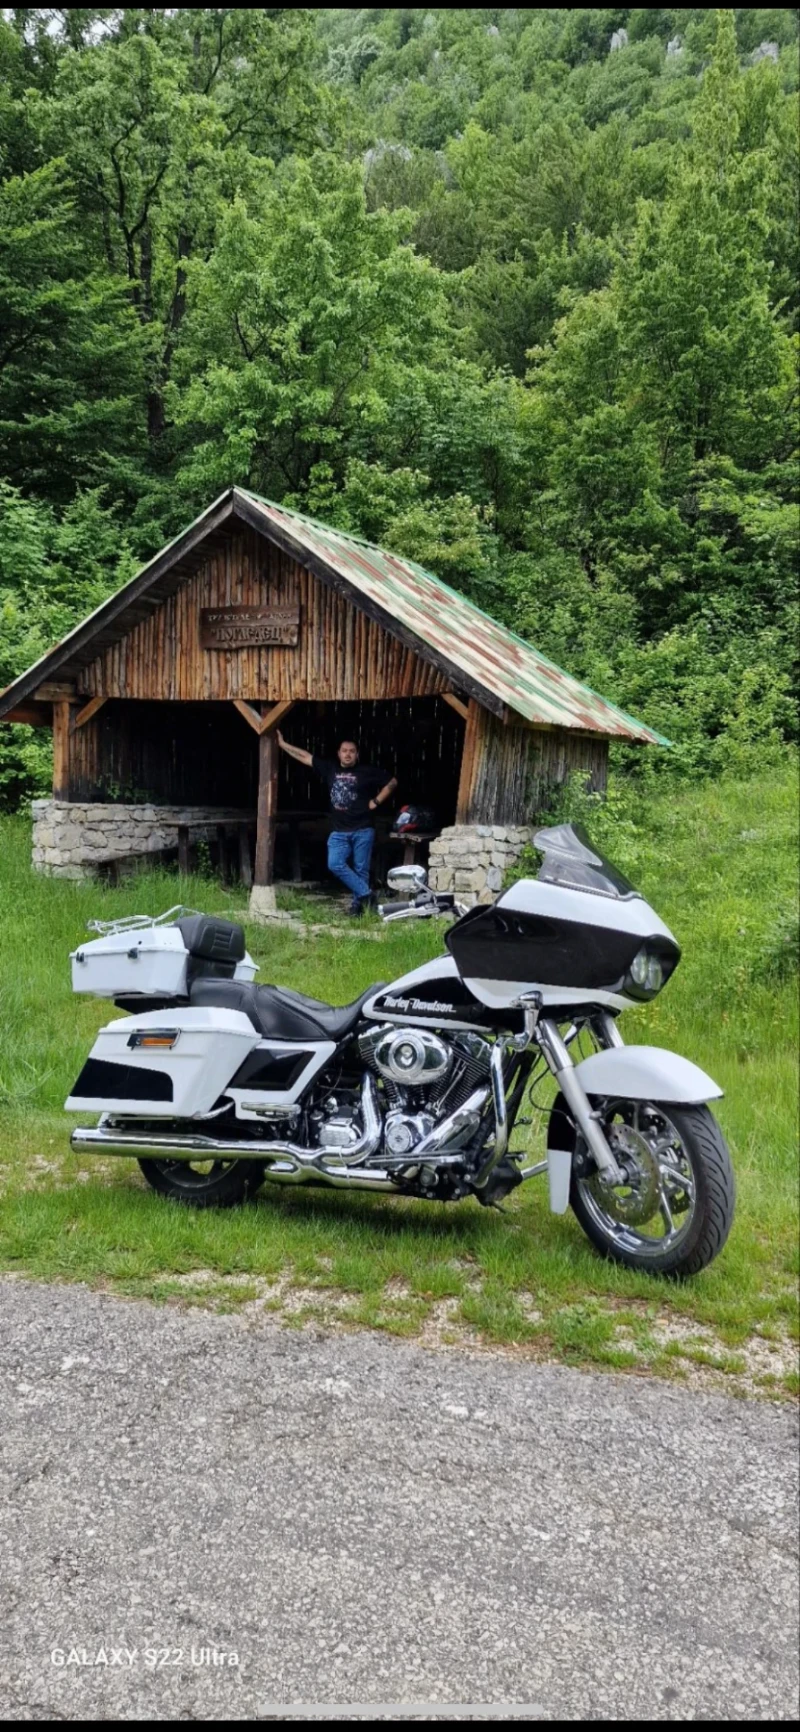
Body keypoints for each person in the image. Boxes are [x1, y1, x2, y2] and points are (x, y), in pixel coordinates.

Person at [277, 732, 397, 916]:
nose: (348, 754)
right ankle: (367, 894)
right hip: (339, 831)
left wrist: (377, 801)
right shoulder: (329, 768)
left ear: (357, 754)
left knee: (361, 870)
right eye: (344, 751)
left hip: (363, 829)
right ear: (338, 753)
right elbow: (305, 756)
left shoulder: (367, 771)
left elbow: (392, 782)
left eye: (352, 751)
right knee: (334, 864)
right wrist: (283, 744)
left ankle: (358, 908)